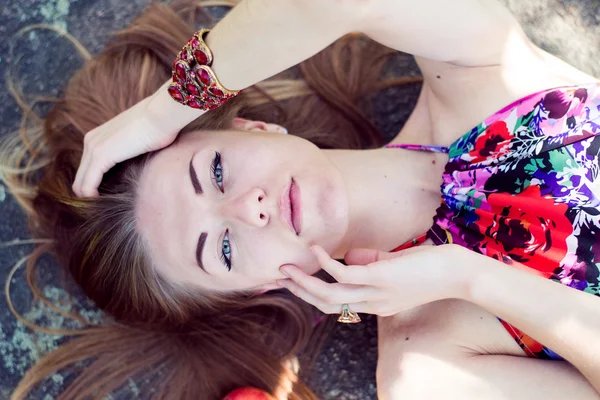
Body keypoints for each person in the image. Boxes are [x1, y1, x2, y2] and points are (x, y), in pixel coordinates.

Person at [3, 0, 600, 399]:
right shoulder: (425, 369)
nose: (249, 208)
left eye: (215, 172)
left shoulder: (471, 76)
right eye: (225, 249)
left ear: (254, 129)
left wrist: (167, 109)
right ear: (258, 288)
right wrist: (470, 280)